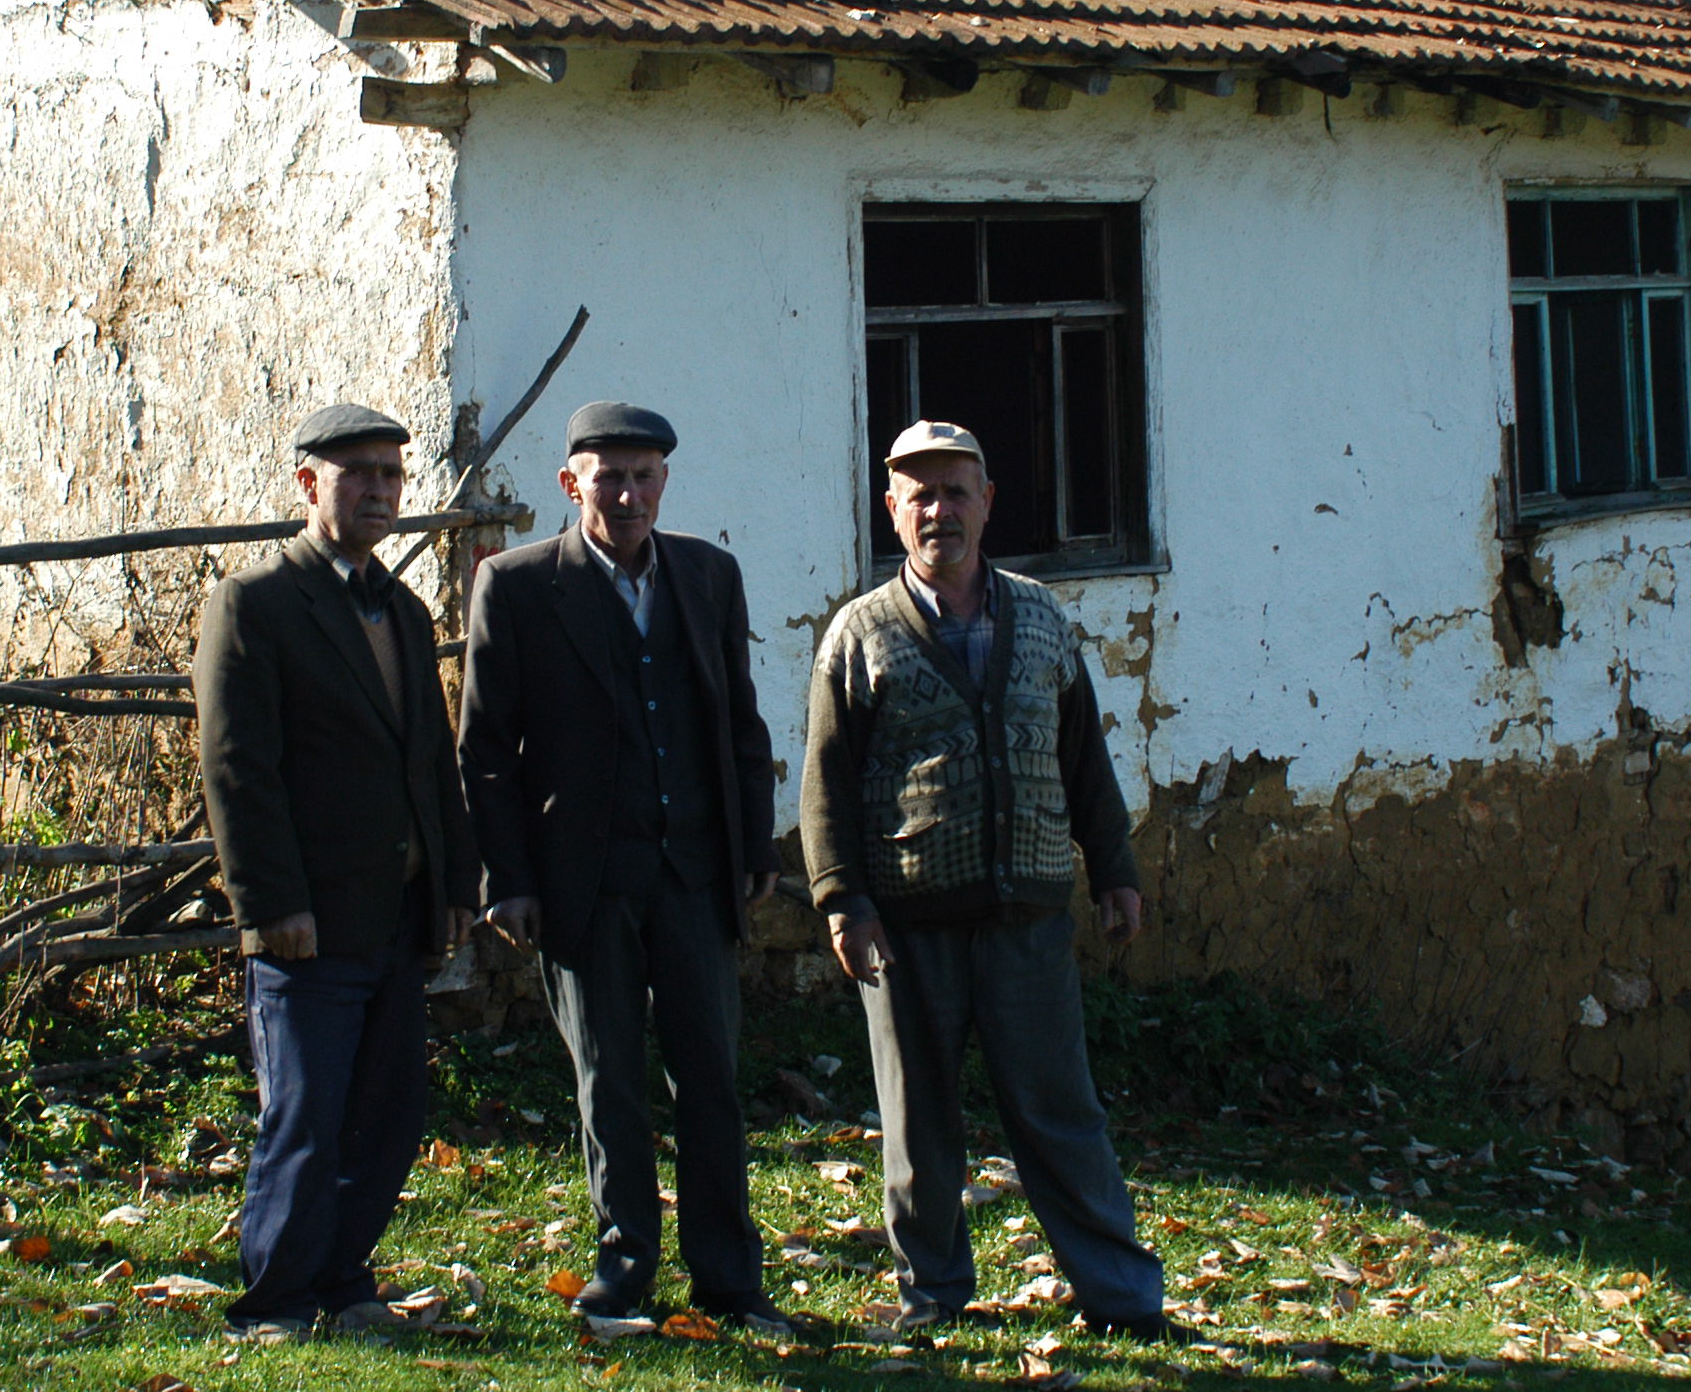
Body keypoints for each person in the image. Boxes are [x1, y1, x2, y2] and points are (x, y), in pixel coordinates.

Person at [801, 419, 1169, 1340]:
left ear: (987, 501)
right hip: (908, 927)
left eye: (955, 490)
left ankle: (1120, 1298)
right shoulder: (858, 635)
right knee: (919, 1131)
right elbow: (826, 781)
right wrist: (842, 899)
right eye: (919, 494)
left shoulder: (1044, 617)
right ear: (892, 509)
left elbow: (1083, 757)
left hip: (1029, 922)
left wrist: (1114, 866)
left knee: (1061, 1115)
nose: (939, 511)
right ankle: (932, 1299)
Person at [456, 401, 789, 1333]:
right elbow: (486, 750)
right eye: (611, 477)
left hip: (692, 871)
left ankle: (728, 1276)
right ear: (572, 485)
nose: (631, 493)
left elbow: (739, 719)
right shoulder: (518, 587)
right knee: (609, 1078)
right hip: (583, 879)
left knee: (712, 1079)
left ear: (665, 482)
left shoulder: (709, 576)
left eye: (645, 475)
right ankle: (625, 1264)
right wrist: (509, 878)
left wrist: (753, 842)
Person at [192, 402, 478, 1341]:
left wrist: (450, 888)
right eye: (358, 474)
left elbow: (434, 763)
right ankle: (275, 1298)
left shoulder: (402, 609)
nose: (379, 491)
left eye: (392, 475)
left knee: (388, 1116)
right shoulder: (258, 604)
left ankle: (346, 1283)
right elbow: (239, 770)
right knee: (306, 1116)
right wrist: (271, 904)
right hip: (309, 918)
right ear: (308, 484)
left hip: (394, 914)